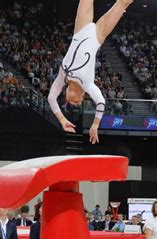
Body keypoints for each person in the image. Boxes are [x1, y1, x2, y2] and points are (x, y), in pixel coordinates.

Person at [47, 0, 135, 144]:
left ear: (66, 93)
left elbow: (51, 98)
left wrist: (62, 120)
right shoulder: (88, 85)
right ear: (83, 95)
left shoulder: (63, 77)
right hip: (98, 36)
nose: (73, 101)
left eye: (70, 101)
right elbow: (100, 102)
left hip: (79, 29)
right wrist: (95, 125)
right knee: (123, 3)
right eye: (77, 102)